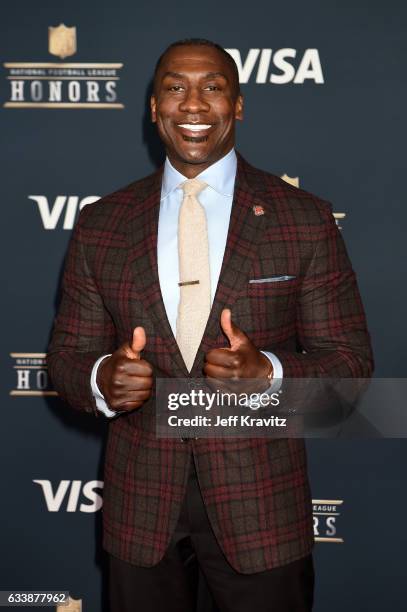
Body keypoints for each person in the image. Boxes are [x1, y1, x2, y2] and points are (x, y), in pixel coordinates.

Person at [47, 38, 373, 612]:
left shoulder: (304, 220)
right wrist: (103, 380)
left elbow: (350, 367)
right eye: (175, 88)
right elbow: (68, 359)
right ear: (153, 108)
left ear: (239, 105)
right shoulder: (102, 224)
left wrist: (267, 374)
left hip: (262, 515)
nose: (192, 104)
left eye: (213, 87)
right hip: (141, 515)